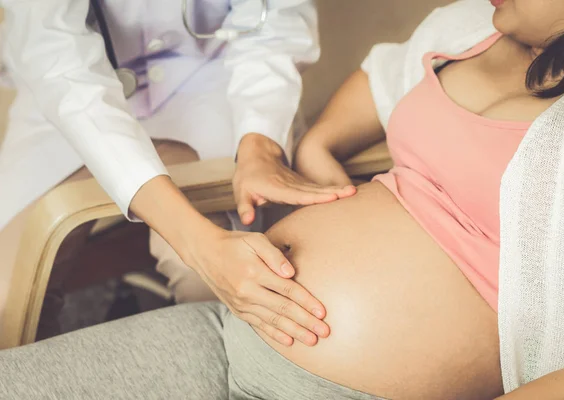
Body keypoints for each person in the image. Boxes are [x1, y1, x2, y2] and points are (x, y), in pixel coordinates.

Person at [2, 0, 564, 398]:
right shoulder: (471, 25)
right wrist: (316, 153)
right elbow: (57, 63)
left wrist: (260, 139)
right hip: (228, 335)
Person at [0, 0, 356, 345]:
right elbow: (62, 71)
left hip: (208, 74)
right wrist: (198, 244)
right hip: (65, 99)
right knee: (6, 304)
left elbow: (274, 20)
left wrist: (260, 144)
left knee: (215, 282)